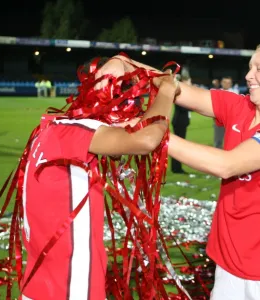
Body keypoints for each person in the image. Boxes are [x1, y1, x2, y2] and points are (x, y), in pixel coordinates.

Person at [102, 48, 260, 299]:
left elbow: (227, 164)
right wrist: (127, 64)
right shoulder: (239, 106)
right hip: (228, 264)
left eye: (259, 69)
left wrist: (152, 133)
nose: (249, 76)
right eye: (251, 67)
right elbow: (176, 89)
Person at [20, 57, 179, 300]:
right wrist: (167, 89)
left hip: (39, 285)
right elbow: (146, 139)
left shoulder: (52, 128)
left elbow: (126, 136)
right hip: (70, 289)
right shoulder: (74, 132)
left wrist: (124, 61)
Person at [171, 74, 192, 174]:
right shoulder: (180, 93)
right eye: (189, 82)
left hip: (180, 121)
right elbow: (184, 108)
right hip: (179, 121)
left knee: (178, 145)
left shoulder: (181, 92)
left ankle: (176, 168)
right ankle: (177, 168)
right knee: (178, 146)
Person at [213, 76, 239, 149]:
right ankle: (218, 159)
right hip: (219, 121)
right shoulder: (217, 93)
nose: (226, 84)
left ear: (231, 84)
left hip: (232, 122)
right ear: (221, 83)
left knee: (232, 142)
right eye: (225, 82)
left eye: (228, 83)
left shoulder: (235, 93)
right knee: (218, 141)